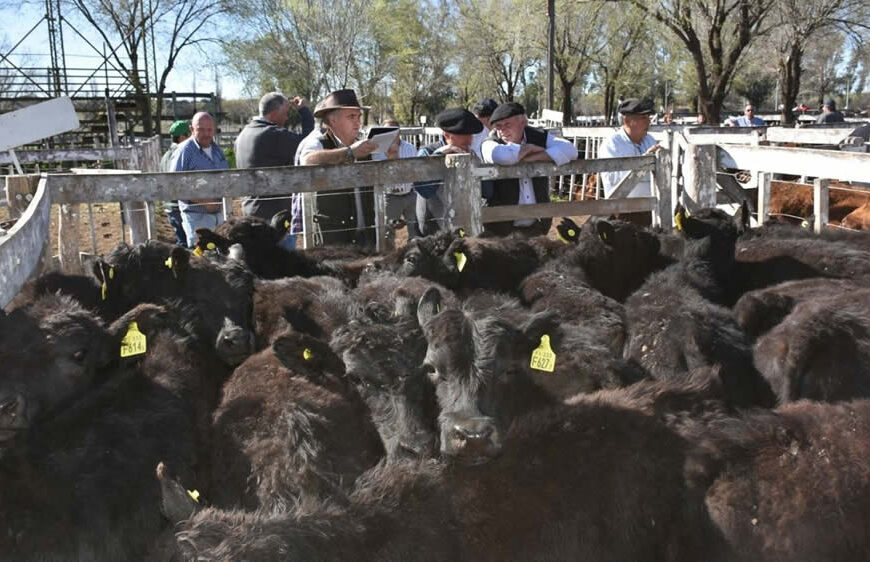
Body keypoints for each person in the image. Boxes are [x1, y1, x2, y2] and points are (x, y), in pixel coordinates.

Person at [293, 89, 378, 247]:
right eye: (351, 117)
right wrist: (350, 153)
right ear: (333, 120)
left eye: (358, 116)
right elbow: (307, 161)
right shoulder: (317, 142)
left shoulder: (364, 144)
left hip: (366, 237)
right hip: (332, 240)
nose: (358, 122)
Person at [480, 102, 578, 237]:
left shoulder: (538, 135)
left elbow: (571, 150)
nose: (502, 130)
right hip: (501, 229)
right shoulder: (490, 142)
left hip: (537, 226)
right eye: (498, 126)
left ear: (523, 122)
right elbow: (501, 156)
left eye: (508, 124)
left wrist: (533, 156)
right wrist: (529, 149)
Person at [235, 92, 314, 249]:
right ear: (274, 113)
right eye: (285, 114)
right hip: (275, 215)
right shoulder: (273, 134)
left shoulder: (243, 134)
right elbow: (308, 143)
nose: (286, 118)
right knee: (283, 265)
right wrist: (304, 111)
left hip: (251, 210)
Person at [413, 108, 483, 235]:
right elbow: (425, 191)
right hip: (433, 228)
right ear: (446, 134)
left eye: (471, 135)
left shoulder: (470, 154)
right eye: (464, 135)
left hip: (462, 224)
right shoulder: (427, 153)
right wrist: (438, 158)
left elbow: (485, 191)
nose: (469, 140)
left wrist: (475, 165)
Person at [171, 111, 229, 247]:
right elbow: (174, 184)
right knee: (202, 257)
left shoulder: (217, 150)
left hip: (220, 215)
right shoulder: (184, 151)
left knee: (221, 255)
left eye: (209, 130)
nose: (206, 133)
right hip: (197, 216)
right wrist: (205, 201)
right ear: (191, 129)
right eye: (201, 129)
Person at [598, 98, 660, 208]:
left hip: (651, 209)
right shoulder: (612, 145)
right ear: (627, 121)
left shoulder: (650, 140)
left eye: (648, 117)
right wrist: (644, 162)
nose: (648, 122)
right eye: (643, 118)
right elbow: (613, 179)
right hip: (622, 209)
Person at [371, 118, 420, 241]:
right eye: (387, 131)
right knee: (388, 232)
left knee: (414, 229)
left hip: (410, 194)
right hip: (390, 197)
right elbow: (379, 173)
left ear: (399, 132)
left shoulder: (410, 148)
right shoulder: (378, 152)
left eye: (394, 131)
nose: (391, 134)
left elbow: (414, 170)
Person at [160, 119, 190, 247]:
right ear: (182, 137)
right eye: (189, 135)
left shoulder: (165, 156)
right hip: (179, 205)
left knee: (181, 240)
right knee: (189, 242)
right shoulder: (182, 153)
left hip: (169, 205)